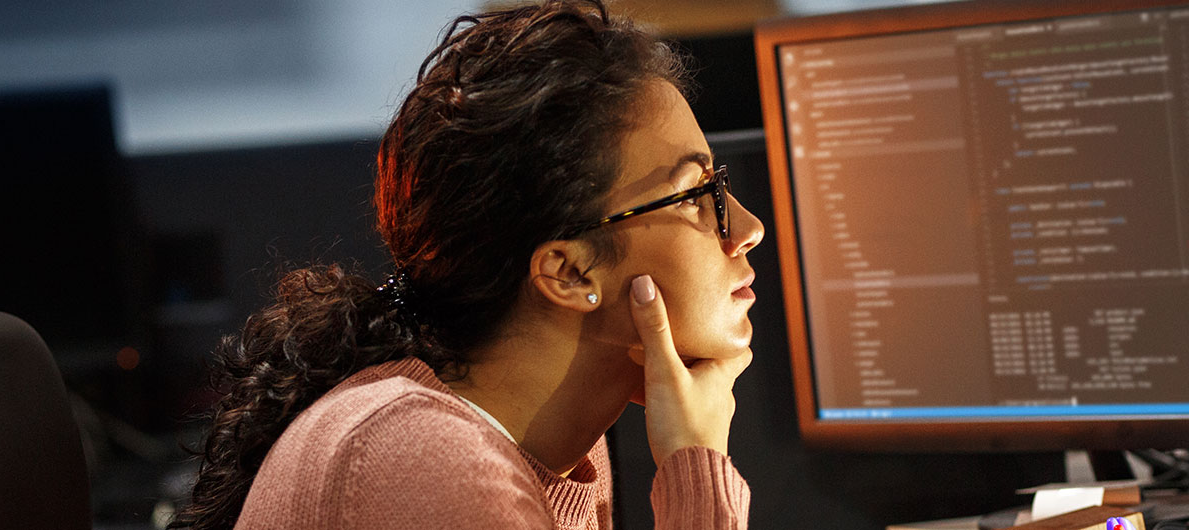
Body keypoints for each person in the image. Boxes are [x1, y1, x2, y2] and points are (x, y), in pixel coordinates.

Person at [169, 1, 764, 528]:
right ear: (567, 272)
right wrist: (698, 469)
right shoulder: (424, 465)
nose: (747, 229)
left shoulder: (560, 446)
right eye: (693, 195)